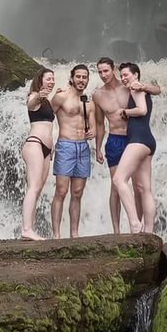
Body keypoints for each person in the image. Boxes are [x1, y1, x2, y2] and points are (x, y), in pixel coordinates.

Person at [94, 56, 160, 234]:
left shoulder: (130, 86)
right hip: (116, 141)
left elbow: (157, 90)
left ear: (113, 69)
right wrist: (98, 147)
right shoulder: (97, 95)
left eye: (106, 70)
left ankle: (137, 226)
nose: (103, 74)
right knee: (116, 188)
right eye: (99, 71)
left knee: (139, 188)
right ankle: (117, 231)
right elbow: (100, 124)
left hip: (133, 140)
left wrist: (143, 86)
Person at [50, 64, 95, 239]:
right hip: (66, 145)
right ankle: (56, 235)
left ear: (88, 80)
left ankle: (74, 234)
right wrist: (48, 140)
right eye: (78, 76)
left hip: (83, 148)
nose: (81, 80)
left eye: (84, 77)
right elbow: (46, 117)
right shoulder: (61, 97)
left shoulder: (88, 103)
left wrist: (92, 132)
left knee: (77, 193)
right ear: (72, 77)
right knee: (61, 191)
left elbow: (93, 127)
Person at [112, 62, 158, 234]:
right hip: (148, 141)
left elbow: (142, 110)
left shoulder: (136, 88)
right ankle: (149, 230)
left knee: (118, 179)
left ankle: (135, 224)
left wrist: (125, 112)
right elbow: (157, 91)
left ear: (136, 75)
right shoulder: (142, 88)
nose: (124, 78)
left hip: (138, 140)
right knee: (143, 188)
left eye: (127, 75)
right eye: (122, 76)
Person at [21, 66, 56, 240]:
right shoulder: (34, 96)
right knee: (33, 188)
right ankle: (26, 229)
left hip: (46, 149)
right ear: (40, 80)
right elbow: (30, 104)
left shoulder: (48, 101)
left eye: (53, 79)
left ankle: (30, 229)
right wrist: (38, 96)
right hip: (34, 144)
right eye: (48, 78)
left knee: (38, 189)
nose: (52, 81)